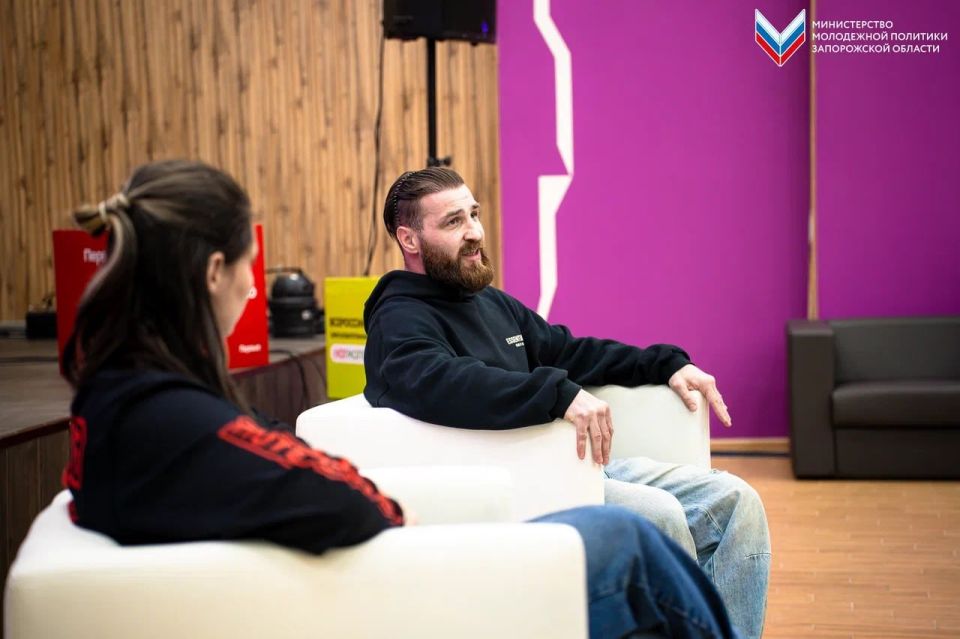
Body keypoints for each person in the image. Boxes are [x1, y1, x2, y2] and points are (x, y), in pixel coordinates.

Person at [63, 159, 741, 639]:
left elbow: (273, 468)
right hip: (407, 594)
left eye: (474, 214)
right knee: (630, 535)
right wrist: (388, 506)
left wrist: (664, 363)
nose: (251, 287)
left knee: (702, 510)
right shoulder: (165, 414)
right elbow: (320, 484)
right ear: (215, 272)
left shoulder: (127, 397)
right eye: (249, 267)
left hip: (396, 569)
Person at [363, 167, 771, 639]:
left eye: (473, 214)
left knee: (736, 502)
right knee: (660, 514)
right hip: (519, 481)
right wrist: (556, 393)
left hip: (578, 466)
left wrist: (664, 365)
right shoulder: (399, 319)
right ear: (409, 239)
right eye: (453, 222)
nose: (474, 232)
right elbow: (440, 381)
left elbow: (569, 351)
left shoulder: (491, 303)